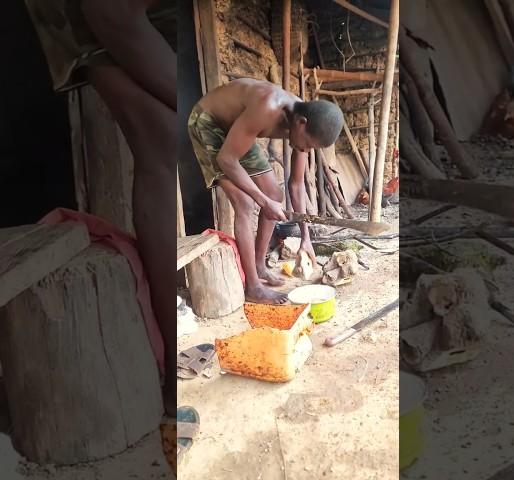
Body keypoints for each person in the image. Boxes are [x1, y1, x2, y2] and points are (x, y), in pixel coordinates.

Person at [25, 0, 177, 416]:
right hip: (96, 13)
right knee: (165, 141)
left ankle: (170, 364)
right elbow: (112, 15)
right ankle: (170, 372)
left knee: (168, 141)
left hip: (133, 18)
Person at [188, 78, 344, 304]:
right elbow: (227, 159)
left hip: (237, 129)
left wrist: (305, 239)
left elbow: (296, 185)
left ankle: (259, 265)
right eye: (308, 145)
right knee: (245, 203)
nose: (305, 150)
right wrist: (261, 201)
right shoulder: (268, 107)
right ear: (301, 123)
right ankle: (253, 287)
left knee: (275, 194)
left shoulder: (306, 123)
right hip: (207, 121)